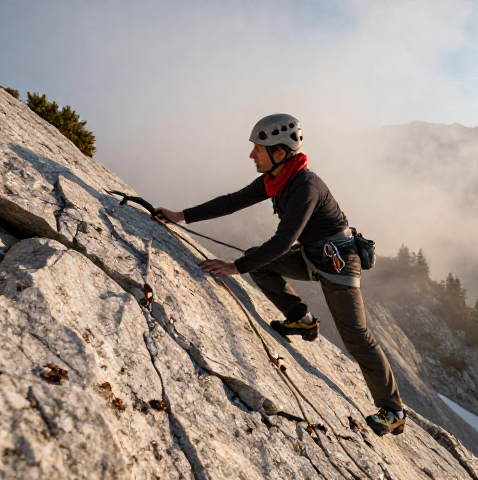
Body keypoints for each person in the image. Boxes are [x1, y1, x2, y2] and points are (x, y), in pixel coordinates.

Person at [153, 114, 406, 436]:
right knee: (258, 261)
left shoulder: (305, 186)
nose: (251, 155)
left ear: (280, 152)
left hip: (338, 263)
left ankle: (393, 411)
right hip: (313, 254)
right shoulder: (277, 179)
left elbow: (284, 241)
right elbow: (232, 202)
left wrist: (235, 268)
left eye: (258, 149)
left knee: (356, 337)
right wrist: (181, 216)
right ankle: (301, 320)